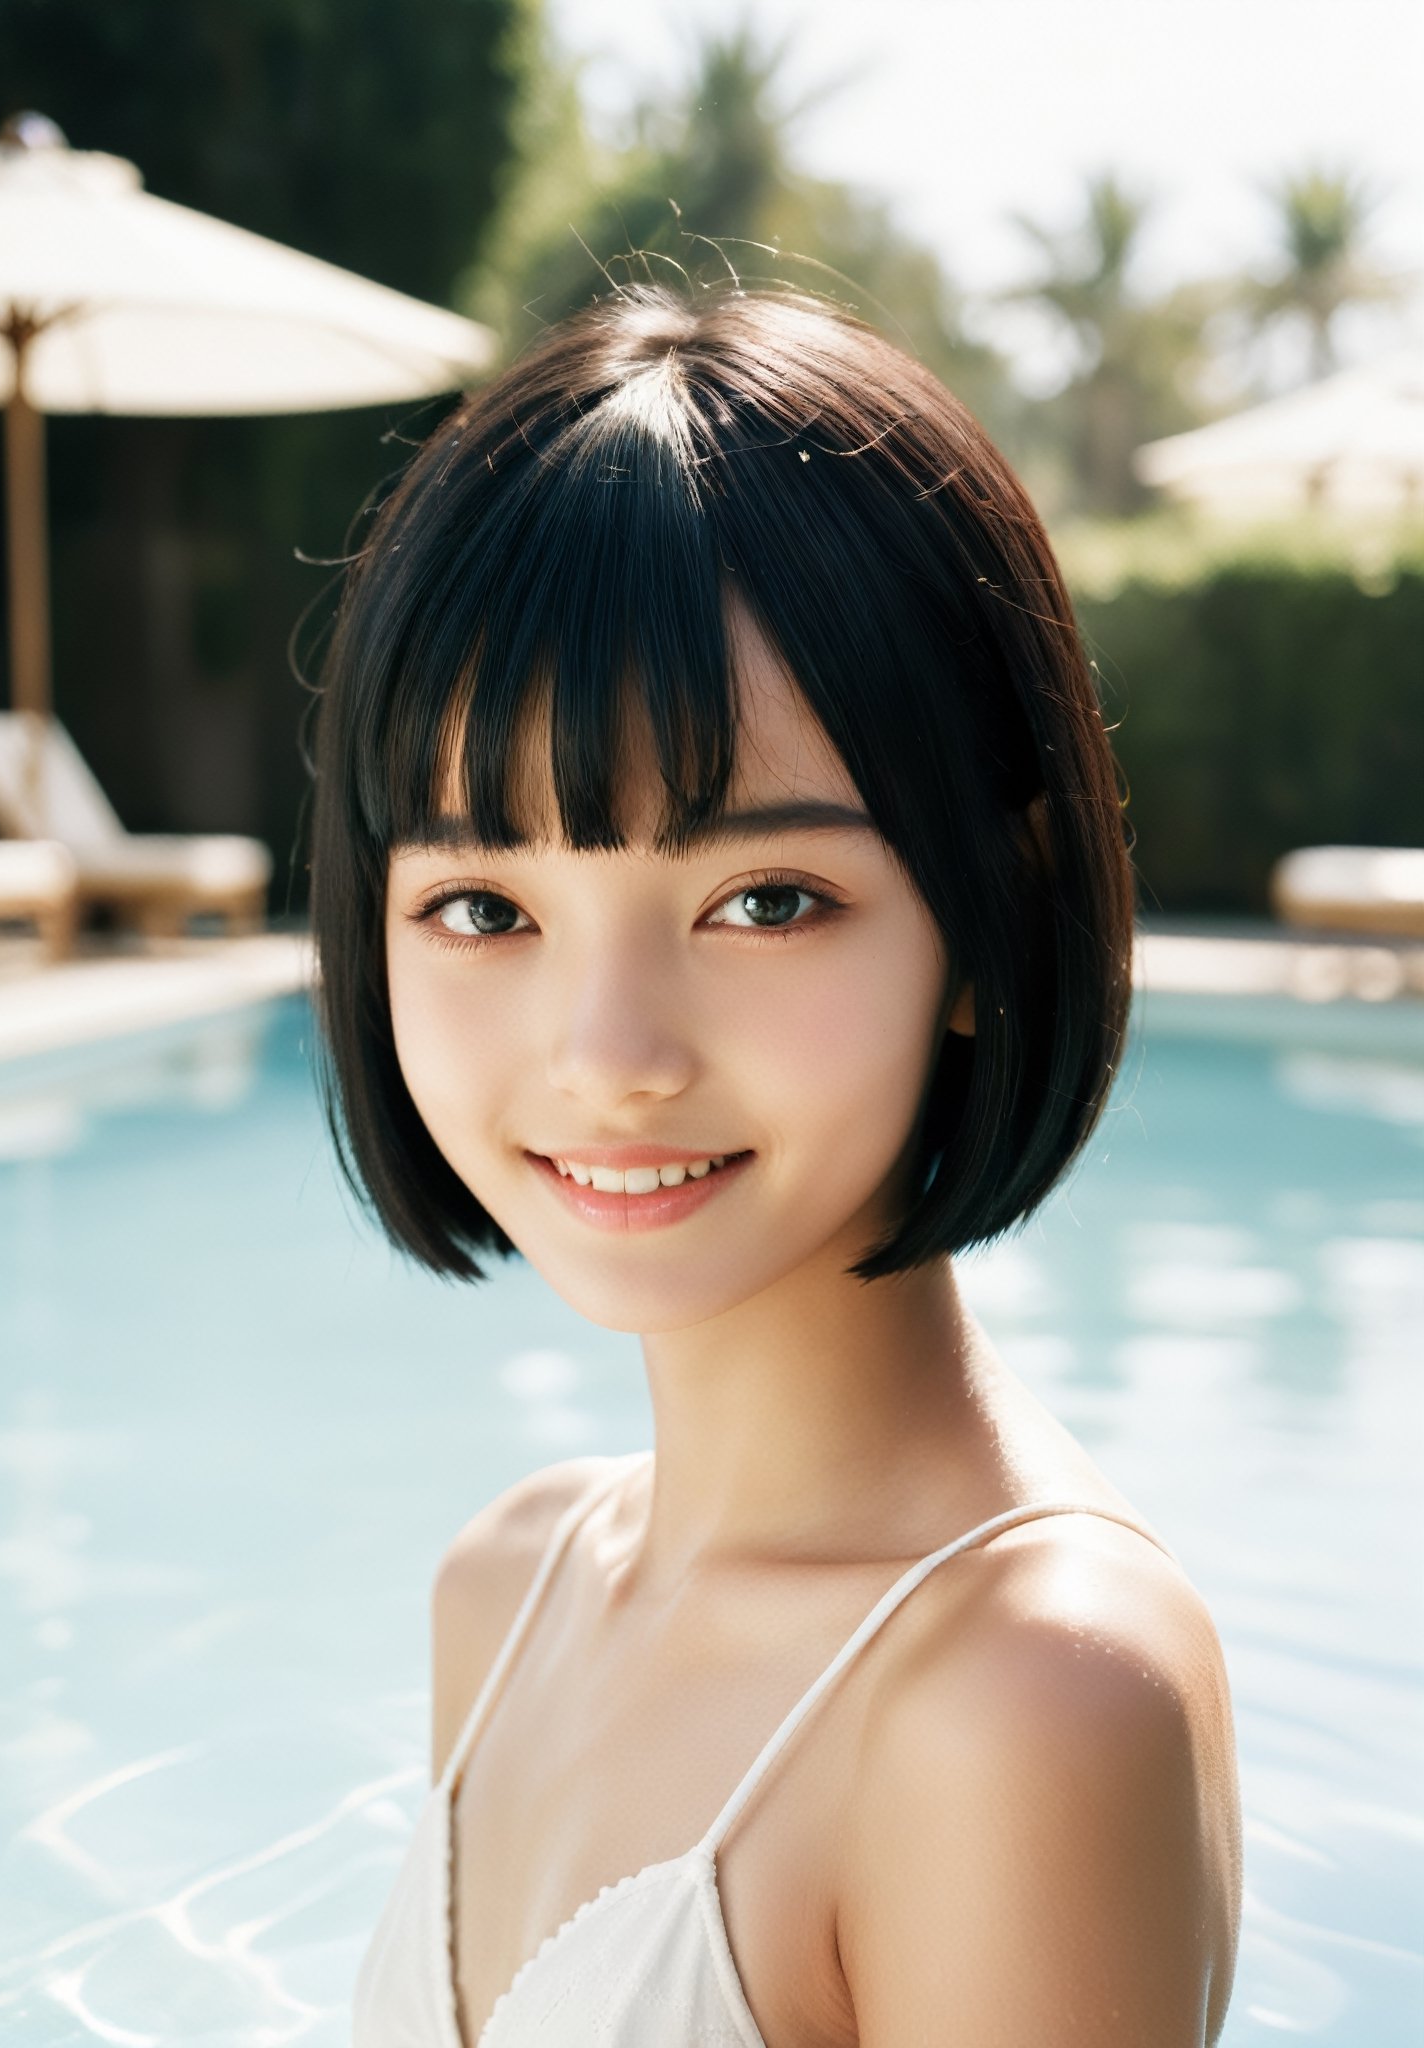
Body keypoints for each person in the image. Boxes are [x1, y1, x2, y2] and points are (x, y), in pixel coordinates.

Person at [311, 286, 1243, 2047]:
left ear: (990, 913)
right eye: (482, 905)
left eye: (763, 900)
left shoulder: (1024, 1694)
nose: (609, 1051)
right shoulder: (502, 1588)